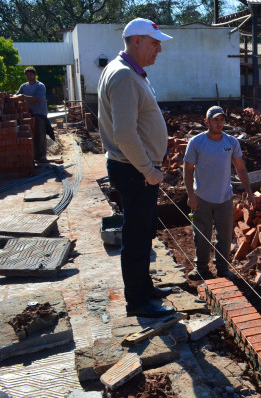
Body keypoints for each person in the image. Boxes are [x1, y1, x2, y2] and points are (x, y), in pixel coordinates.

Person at [97, 17, 175, 318]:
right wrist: (148, 170)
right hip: (134, 170)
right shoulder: (124, 76)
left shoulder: (128, 72)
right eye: (155, 43)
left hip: (133, 168)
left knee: (142, 232)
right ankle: (139, 302)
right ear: (137, 41)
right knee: (136, 236)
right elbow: (125, 133)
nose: (159, 50)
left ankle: (144, 288)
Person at [184, 106, 256, 280]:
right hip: (202, 198)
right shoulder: (196, 142)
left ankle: (222, 268)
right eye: (216, 120)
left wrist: (250, 192)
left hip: (224, 197)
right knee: (202, 235)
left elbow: (241, 169)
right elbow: (187, 171)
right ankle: (201, 268)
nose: (219, 123)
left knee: (224, 236)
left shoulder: (231, 142)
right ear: (207, 121)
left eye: (222, 120)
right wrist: (191, 196)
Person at [16, 67, 54, 163]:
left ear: (35, 75)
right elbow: (17, 95)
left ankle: (42, 156)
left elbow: (36, 98)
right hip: (28, 114)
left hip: (39, 114)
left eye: (30, 74)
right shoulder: (23, 86)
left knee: (40, 135)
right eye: (27, 74)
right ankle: (34, 155)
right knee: (31, 135)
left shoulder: (40, 86)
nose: (28, 76)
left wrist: (23, 96)